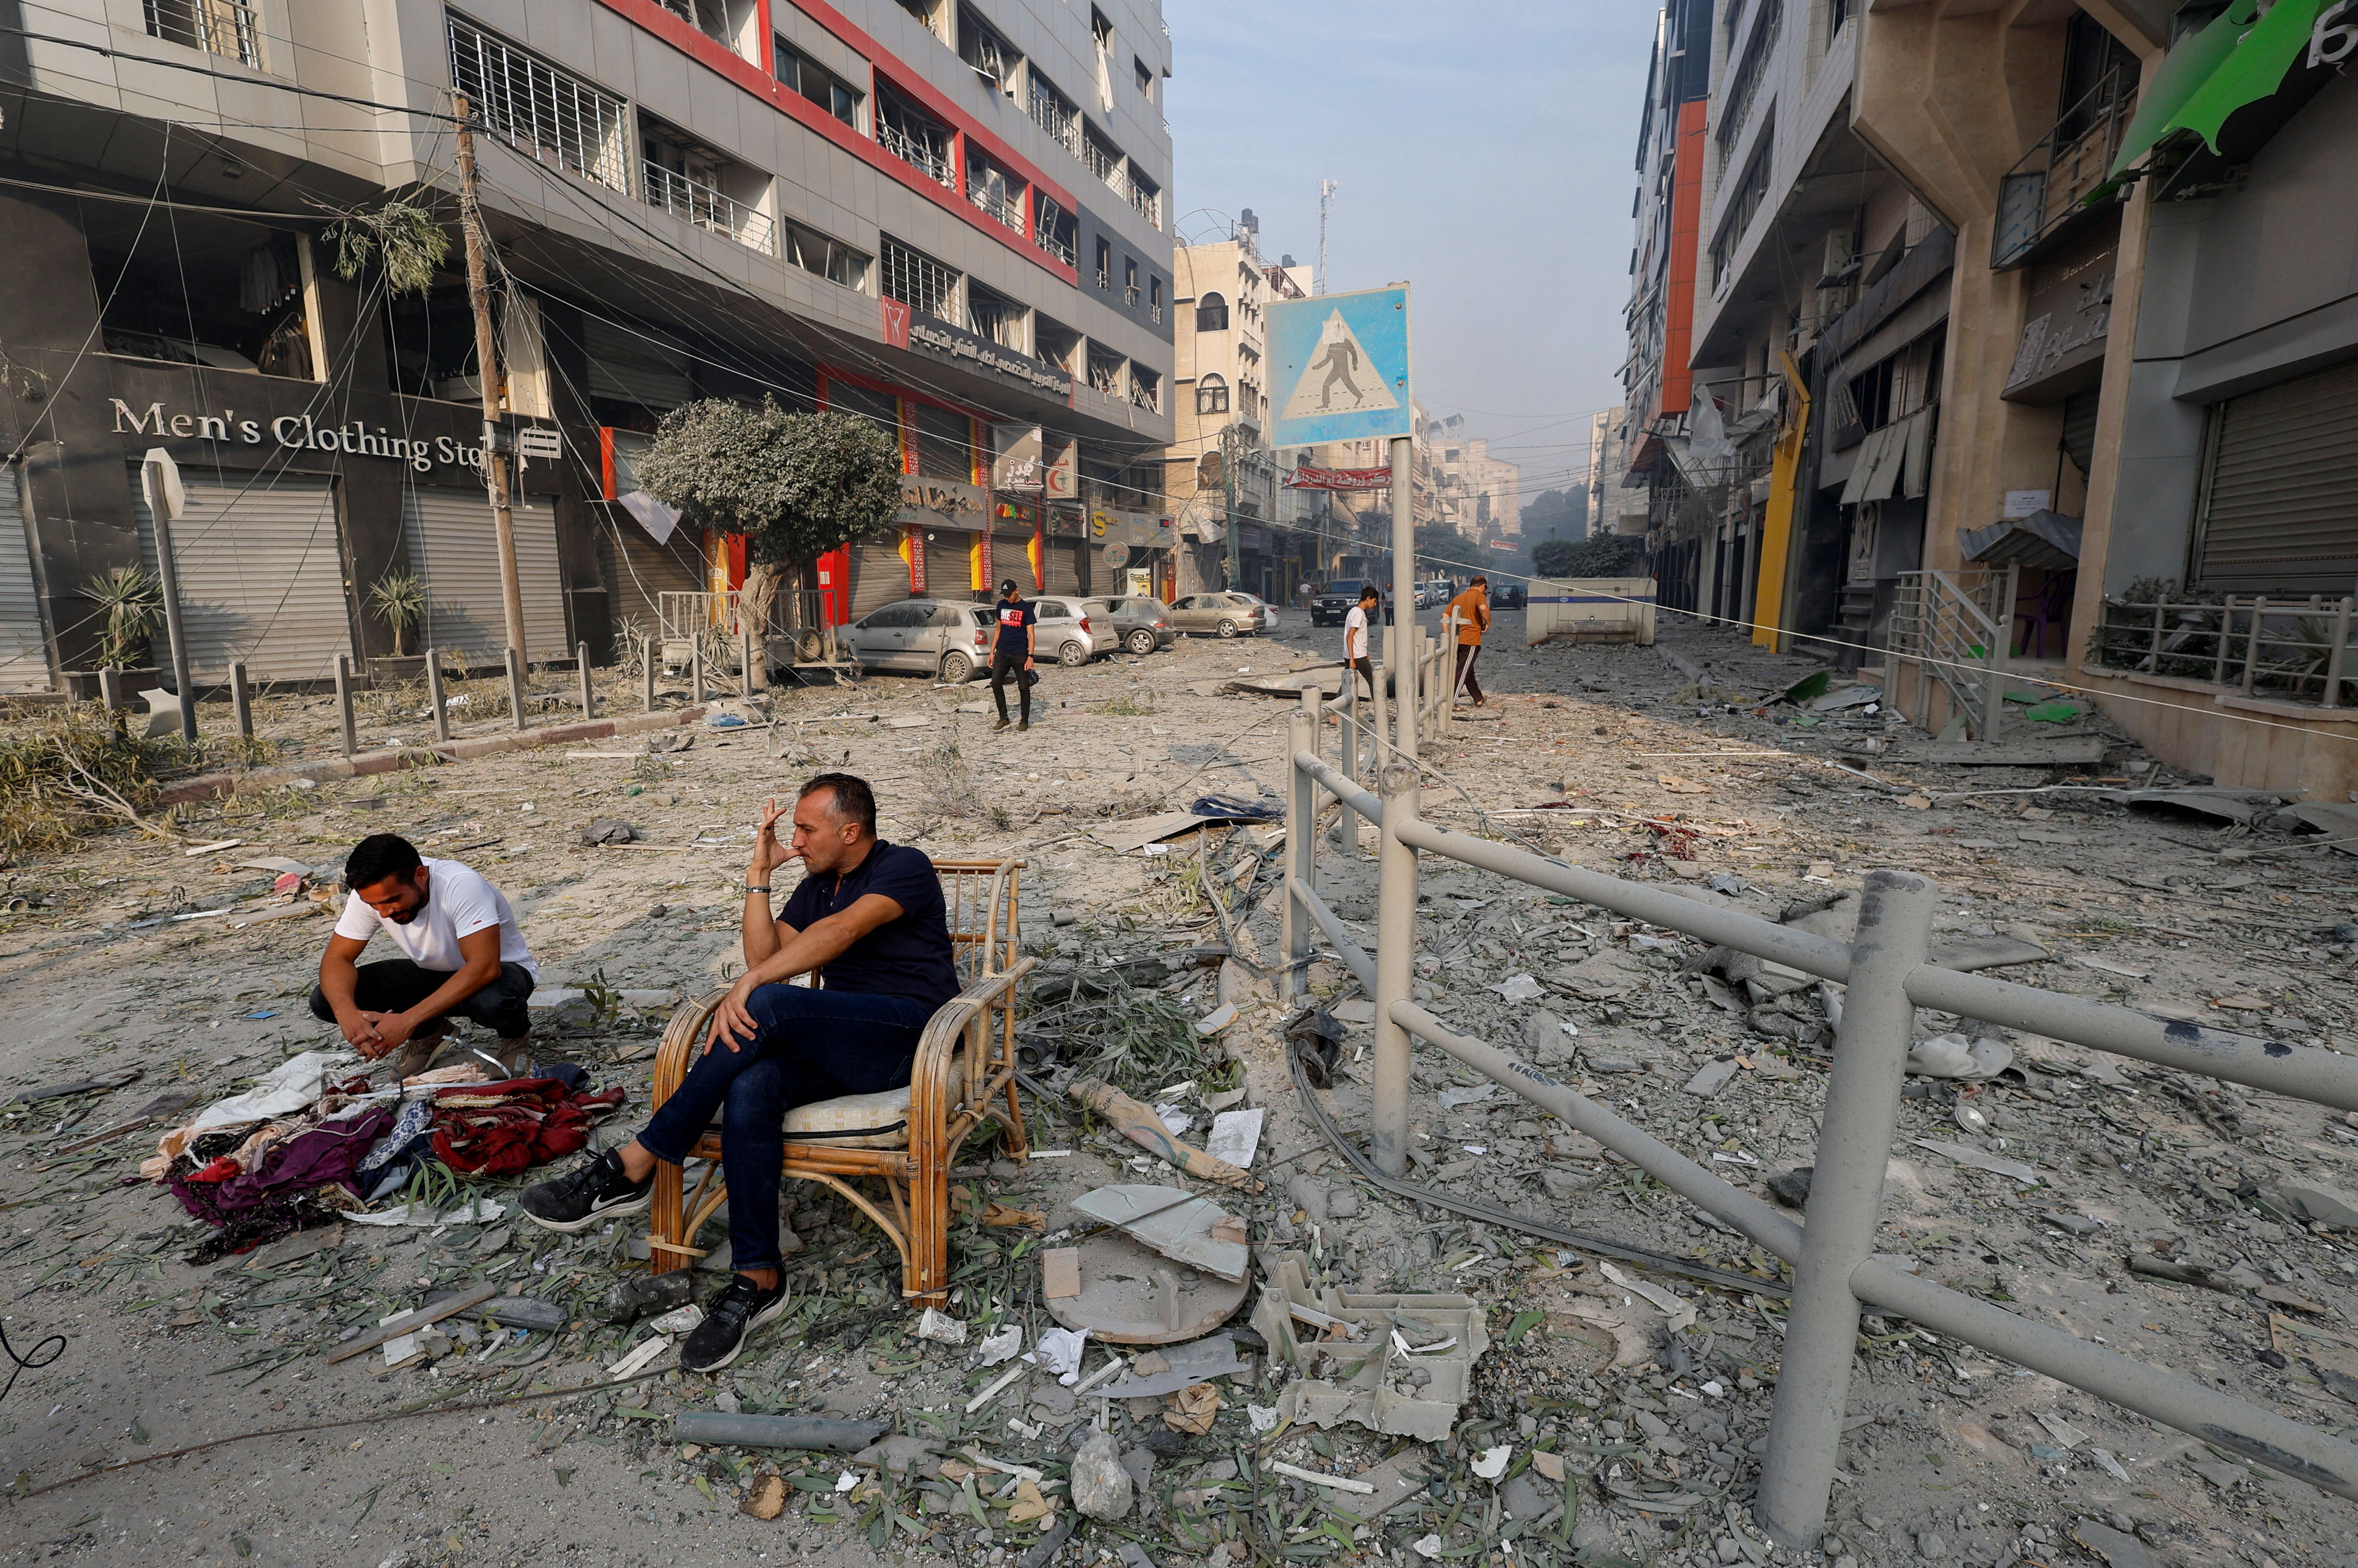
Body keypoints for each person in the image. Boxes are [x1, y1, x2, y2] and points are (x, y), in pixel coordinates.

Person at [518, 773, 958, 1374]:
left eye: (807, 828)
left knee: (768, 1003)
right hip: (843, 1043)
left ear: (850, 831)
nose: (796, 839)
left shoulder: (903, 865)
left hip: (913, 1038)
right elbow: (763, 955)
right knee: (753, 1086)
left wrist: (752, 986)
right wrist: (760, 874)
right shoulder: (816, 884)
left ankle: (640, 1158)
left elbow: (841, 933)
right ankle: (758, 1277)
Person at [310, 833, 538, 1080]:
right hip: (432, 974)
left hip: (500, 974)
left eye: (393, 900)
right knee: (327, 999)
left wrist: (406, 1021)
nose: (384, 913)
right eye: (375, 905)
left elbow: (485, 967)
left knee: (493, 1002)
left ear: (421, 875)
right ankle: (430, 1033)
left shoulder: (460, 884)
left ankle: (515, 1036)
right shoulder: (371, 894)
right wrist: (347, 1016)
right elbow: (338, 958)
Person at [987, 577, 1036, 732]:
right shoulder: (1001, 605)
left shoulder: (1026, 609)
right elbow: (998, 630)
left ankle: (1024, 721)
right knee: (995, 683)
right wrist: (992, 652)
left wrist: (1031, 656)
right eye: (1005, 595)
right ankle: (1004, 718)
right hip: (1002, 651)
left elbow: (1031, 635)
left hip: (1020, 653)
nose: (1007, 598)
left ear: (1017, 591)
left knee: (1023, 687)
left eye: (1009, 594)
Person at [1445, 574, 1492, 707]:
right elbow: (1483, 609)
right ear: (1483, 586)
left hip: (1458, 640)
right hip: (1471, 640)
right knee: (1463, 671)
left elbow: (1444, 615)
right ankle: (1451, 701)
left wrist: (1447, 635)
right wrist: (1488, 623)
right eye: (1485, 588)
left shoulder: (1459, 598)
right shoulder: (1479, 596)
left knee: (1468, 670)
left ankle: (1478, 698)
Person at [1342, 583, 1380, 700]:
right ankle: (1381, 712)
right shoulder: (1359, 613)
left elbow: (1358, 637)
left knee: (1347, 684)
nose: (1375, 604)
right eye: (1375, 601)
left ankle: (1334, 714)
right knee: (1373, 680)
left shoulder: (1354, 611)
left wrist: (1364, 652)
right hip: (1357, 656)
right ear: (1368, 598)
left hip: (1354, 654)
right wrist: (1353, 659)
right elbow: (1350, 636)